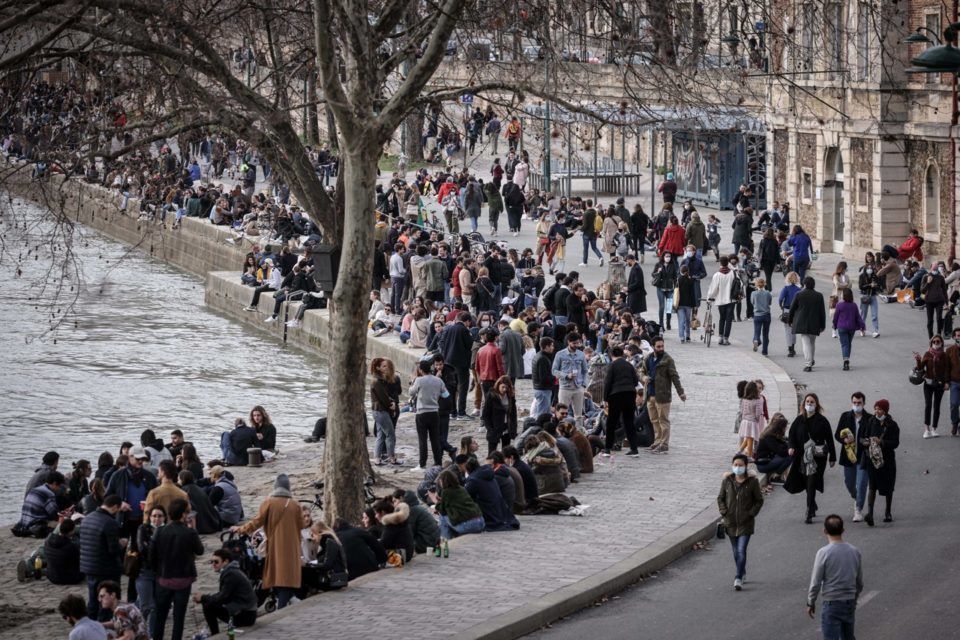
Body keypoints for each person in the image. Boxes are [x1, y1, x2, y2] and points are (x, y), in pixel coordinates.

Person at [235, 474, 305, 609]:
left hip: (275, 546)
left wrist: (241, 529)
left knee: (278, 577)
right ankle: (287, 601)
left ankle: (281, 609)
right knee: (287, 577)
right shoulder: (295, 505)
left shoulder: (269, 503)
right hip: (292, 547)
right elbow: (301, 524)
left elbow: (256, 522)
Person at [150, 498, 203, 640]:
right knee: (179, 618)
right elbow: (200, 550)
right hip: (183, 579)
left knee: (160, 617)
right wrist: (193, 529)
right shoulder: (189, 532)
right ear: (183, 514)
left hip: (164, 578)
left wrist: (158, 571)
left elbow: (151, 555)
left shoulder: (160, 531)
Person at [806, 515, 863, 640]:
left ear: (824, 531)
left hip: (831, 603)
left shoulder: (823, 553)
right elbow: (859, 582)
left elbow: (816, 581)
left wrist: (811, 602)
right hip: (849, 601)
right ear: (843, 530)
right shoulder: (855, 551)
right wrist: (854, 598)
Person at [785, 393, 836, 524]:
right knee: (806, 482)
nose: (809, 404)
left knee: (812, 481)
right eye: (807, 401)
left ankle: (809, 511)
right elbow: (791, 435)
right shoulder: (799, 420)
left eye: (812, 402)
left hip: (817, 457)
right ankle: (812, 504)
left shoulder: (822, 421)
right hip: (802, 456)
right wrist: (791, 447)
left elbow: (829, 439)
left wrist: (832, 457)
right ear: (804, 404)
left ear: (816, 404)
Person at [717, 453, 763, 591]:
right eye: (735, 465)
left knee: (741, 550)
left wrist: (751, 513)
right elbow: (720, 498)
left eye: (740, 465)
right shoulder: (727, 481)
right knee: (736, 551)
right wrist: (724, 512)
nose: (737, 467)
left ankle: (738, 577)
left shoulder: (752, 482)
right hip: (730, 522)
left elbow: (759, 500)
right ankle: (742, 571)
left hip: (746, 523)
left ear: (746, 466)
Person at [79, 494, 126, 621]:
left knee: (93, 600)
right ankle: (102, 627)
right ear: (115, 507)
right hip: (106, 569)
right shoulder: (110, 523)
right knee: (106, 602)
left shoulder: (87, 518)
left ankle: (90, 625)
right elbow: (113, 550)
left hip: (89, 566)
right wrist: (121, 544)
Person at [194, 548, 258, 635]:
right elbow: (223, 595)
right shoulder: (232, 571)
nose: (213, 564)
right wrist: (206, 597)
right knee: (209, 602)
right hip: (247, 612)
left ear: (226, 561)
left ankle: (215, 635)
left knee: (208, 605)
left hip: (246, 616)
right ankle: (214, 633)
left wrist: (203, 598)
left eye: (216, 562)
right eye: (211, 562)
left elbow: (223, 597)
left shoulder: (230, 574)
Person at [642, 337, 686, 454]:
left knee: (663, 420)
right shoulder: (648, 358)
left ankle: (664, 444)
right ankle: (657, 441)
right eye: (658, 346)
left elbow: (674, 376)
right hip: (650, 394)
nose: (661, 348)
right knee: (654, 420)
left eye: (662, 346)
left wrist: (680, 392)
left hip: (663, 396)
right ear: (653, 347)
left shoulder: (668, 360)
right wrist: (644, 377)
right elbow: (641, 371)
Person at [834, 393, 871, 523]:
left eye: (859, 403)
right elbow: (837, 435)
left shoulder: (869, 419)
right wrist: (844, 440)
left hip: (863, 456)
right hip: (849, 456)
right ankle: (856, 498)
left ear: (864, 403)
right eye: (854, 403)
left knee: (861, 483)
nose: (856, 405)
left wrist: (867, 441)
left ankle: (858, 509)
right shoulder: (845, 416)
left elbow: (873, 435)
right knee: (849, 483)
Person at [862, 398, 900, 526]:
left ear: (885, 411)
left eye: (879, 409)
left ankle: (888, 512)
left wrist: (881, 442)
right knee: (872, 486)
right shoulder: (871, 422)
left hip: (887, 460)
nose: (877, 411)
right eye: (876, 409)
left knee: (888, 486)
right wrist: (867, 442)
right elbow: (863, 438)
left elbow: (895, 443)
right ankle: (870, 514)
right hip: (873, 459)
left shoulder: (892, 425)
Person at [433, 469, 484, 557]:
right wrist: (442, 500)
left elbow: (442, 510)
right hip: (480, 522)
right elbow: (454, 502)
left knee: (442, 517)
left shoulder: (446, 491)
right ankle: (452, 540)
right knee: (449, 517)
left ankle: (446, 544)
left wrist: (435, 499)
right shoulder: (461, 488)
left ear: (444, 481)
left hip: (468, 525)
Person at [409, 360, 449, 471]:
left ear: (421, 370)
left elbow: (411, 392)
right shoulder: (438, 380)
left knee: (423, 440)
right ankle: (438, 462)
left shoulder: (419, 380)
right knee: (435, 439)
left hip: (422, 413)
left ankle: (422, 464)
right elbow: (446, 395)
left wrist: (412, 381)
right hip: (434, 413)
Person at [603, 345, 641, 456]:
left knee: (611, 422)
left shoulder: (612, 365)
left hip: (616, 395)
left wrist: (605, 398)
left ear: (611, 355)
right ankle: (634, 449)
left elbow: (607, 382)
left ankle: (607, 448)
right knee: (629, 422)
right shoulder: (629, 365)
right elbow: (635, 381)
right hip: (630, 394)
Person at [133, 506, 166, 632]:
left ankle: (152, 634)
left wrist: (150, 545)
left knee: (156, 606)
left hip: (161, 572)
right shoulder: (143, 528)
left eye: (160, 516)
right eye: (154, 516)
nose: (157, 519)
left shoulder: (167, 530)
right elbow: (142, 549)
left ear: (164, 517)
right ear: (150, 517)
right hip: (145, 571)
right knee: (146, 606)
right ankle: (139, 631)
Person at [789, 276, 827, 372]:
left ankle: (808, 364)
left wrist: (790, 320)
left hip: (802, 323)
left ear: (804, 284)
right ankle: (811, 360)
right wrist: (823, 325)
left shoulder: (799, 294)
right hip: (815, 323)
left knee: (806, 343)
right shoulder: (819, 295)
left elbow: (792, 309)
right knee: (812, 342)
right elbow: (822, 311)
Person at [916, 334, 948, 438]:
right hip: (928, 383)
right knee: (928, 405)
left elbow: (947, 370)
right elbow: (920, 368)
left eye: (938, 341)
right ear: (931, 343)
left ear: (941, 343)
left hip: (939, 384)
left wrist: (946, 382)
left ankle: (934, 428)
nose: (936, 343)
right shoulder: (927, 354)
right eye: (934, 342)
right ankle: (927, 429)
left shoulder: (944, 355)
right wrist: (918, 360)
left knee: (937, 406)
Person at [18, 470, 65, 538]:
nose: (59, 489)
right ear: (54, 483)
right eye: (59, 486)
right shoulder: (49, 493)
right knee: (64, 526)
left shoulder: (35, 489)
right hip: (35, 526)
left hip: (24, 523)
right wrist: (64, 515)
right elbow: (54, 515)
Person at [370, 358, 399, 465]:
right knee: (390, 434)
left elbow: (385, 396)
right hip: (381, 411)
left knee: (381, 435)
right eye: (384, 366)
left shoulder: (378, 380)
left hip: (378, 411)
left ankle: (377, 458)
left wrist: (391, 402)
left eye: (386, 365)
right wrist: (392, 405)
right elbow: (384, 398)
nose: (386, 368)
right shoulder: (377, 381)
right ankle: (391, 458)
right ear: (378, 368)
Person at [482, 375, 518, 454]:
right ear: (498, 385)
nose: (505, 389)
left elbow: (513, 413)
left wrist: (513, 427)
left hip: (506, 427)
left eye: (507, 387)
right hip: (494, 427)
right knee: (492, 452)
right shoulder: (491, 396)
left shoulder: (510, 396)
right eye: (503, 387)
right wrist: (490, 429)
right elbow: (485, 414)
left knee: (506, 453)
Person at [831, 288, 864, 371]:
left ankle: (846, 361)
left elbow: (836, 317)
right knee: (848, 343)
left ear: (844, 295)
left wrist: (834, 325)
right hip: (851, 328)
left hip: (842, 327)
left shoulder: (839, 305)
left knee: (845, 344)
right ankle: (847, 359)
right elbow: (858, 317)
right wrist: (862, 326)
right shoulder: (854, 305)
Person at [707, 255, 737, 345]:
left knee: (722, 318)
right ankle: (726, 338)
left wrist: (710, 298)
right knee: (729, 319)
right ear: (728, 263)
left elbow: (713, 288)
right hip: (731, 299)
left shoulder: (717, 275)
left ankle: (720, 337)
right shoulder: (733, 274)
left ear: (720, 263)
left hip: (720, 300)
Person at [45, 518, 82, 584]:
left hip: (51, 577)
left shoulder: (48, 540)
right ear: (70, 531)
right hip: (68, 578)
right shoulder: (71, 547)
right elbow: (78, 563)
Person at [755, 413, 792, 481]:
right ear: (780, 427)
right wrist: (789, 448)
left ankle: (781, 476)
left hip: (768, 460)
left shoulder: (772, 433)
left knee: (789, 454)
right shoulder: (769, 436)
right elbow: (781, 452)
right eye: (785, 427)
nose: (786, 428)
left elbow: (785, 443)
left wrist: (788, 446)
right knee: (790, 456)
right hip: (763, 465)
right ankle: (776, 476)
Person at [737, 381, 766, 459]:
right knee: (751, 439)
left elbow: (742, 411)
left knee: (748, 437)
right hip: (752, 422)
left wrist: (744, 418)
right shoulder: (757, 400)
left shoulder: (744, 399)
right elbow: (758, 413)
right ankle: (749, 455)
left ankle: (739, 451)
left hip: (745, 421)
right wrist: (757, 420)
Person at [778, 271, 802, 357]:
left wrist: (781, 306)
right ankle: (793, 346)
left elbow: (780, 298)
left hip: (787, 310)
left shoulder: (786, 288)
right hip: (796, 311)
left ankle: (790, 348)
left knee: (787, 330)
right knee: (793, 329)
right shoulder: (799, 289)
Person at [651, 252, 678, 330]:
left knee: (669, 307)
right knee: (662, 306)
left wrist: (676, 287)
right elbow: (653, 274)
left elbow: (675, 277)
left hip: (670, 289)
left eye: (669, 256)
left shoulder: (673, 265)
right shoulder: (658, 264)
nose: (668, 258)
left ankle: (668, 322)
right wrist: (658, 272)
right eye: (666, 256)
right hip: (660, 288)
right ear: (663, 257)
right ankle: (661, 323)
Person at [922, 262, 948, 338]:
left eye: (937, 268)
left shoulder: (941, 277)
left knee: (939, 318)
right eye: (934, 268)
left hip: (939, 300)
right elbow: (922, 291)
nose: (935, 269)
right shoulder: (925, 276)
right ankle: (931, 337)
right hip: (929, 301)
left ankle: (939, 335)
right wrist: (928, 283)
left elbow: (944, 291)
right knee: (930, 320)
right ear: (931, 268)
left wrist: (947, 303)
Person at [751, 277, 772, 355]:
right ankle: (765, 351)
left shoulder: (754, 293)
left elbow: (752, 302)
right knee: (765, 334)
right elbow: (770, 303)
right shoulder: (768, 293)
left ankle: (756, 340)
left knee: (757, 331)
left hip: (757, 315)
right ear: (764, 284)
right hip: (766, 315)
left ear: (756, 285)